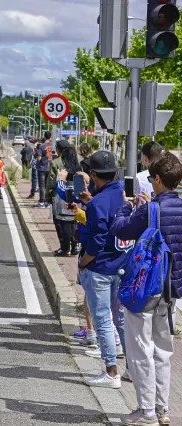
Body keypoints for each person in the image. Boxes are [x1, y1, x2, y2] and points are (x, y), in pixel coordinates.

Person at [111, 152, 182, 426]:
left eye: (153, 179)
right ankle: (162, 410)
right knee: (164, 351)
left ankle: (147, 412)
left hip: (145, 289)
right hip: (171, 290)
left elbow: (121, 230)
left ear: (159, 180)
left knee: (141, 349)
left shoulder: (151, 209)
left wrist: (126, 207)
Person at [78, 151, 127, 389]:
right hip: (121, 264)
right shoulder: (121, 195)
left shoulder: (98, 202)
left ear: (93, 174)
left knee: (103, 321)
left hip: (99, 268)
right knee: (120, 320)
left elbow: (96, 242)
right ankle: (134, 370)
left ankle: (111, 372)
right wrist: (91, 203)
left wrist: (83, 261)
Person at [35, 131, 53, 207]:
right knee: (47, 185)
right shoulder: (53, 145)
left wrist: (36, 154)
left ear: (44, 136)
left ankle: (42, 201)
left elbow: (39, 158)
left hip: (42, 167)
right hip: (50, 167)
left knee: (41, 185)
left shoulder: (42, 146)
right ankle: (47, 201)